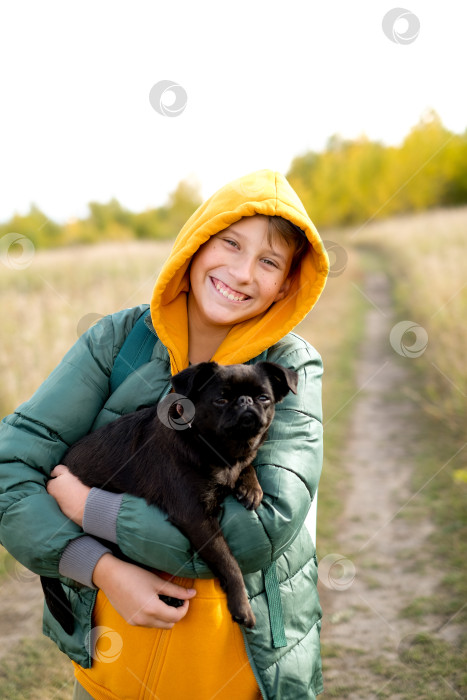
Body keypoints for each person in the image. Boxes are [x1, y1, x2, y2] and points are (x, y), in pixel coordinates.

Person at [0, 169, 330, 699]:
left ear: (288, 283)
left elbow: (260, 532)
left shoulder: (290, 366)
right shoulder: (118, 341)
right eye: (230, 243)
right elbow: (10, 466)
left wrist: (92, 510)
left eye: (268, 261)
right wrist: (102, 568)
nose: (243, 273)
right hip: (113, 666)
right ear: (195, 245)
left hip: (237, 670)